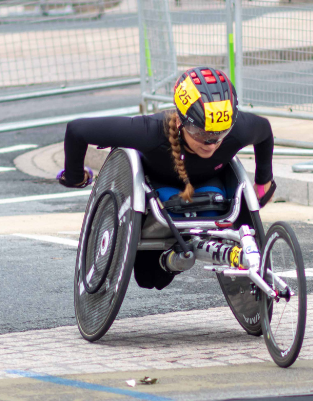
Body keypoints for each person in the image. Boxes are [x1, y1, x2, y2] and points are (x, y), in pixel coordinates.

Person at [58, 67, 275, 289]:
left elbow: (265, 131)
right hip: (158, 193)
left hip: (212, 187)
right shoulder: (150, 131)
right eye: (202, 134)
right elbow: (77, 130)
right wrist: (75, 176)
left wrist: (262, 182)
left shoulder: (240, 129)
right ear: (181, 121)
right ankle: (171, 260)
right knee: (149, 279)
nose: (211, 143)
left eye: (220, 134)